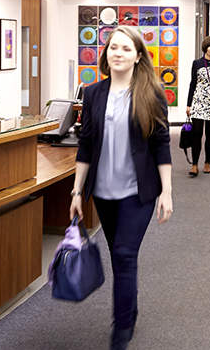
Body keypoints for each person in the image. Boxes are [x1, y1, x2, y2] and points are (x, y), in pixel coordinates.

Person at [69, 26, 173, 350]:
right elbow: (85, 144)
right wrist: (76, 191)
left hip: (137, 192)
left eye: (126, 49)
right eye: (113, 47)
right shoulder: (93, 92)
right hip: (103, 191)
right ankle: (131, 307)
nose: (118, 53)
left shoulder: (150, 94)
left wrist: (167, 192)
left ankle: (121, 329)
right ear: (106, 54)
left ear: (138, 56)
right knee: (119, 256)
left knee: (126, 254)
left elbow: (161, 144)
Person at [185, 36, 210, 177]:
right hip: (198, 101)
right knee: (196, 133)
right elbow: (193, 84)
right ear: (205, 48)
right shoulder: (197, 63)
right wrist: (189, 104)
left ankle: (207, 162)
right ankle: (194, 164)